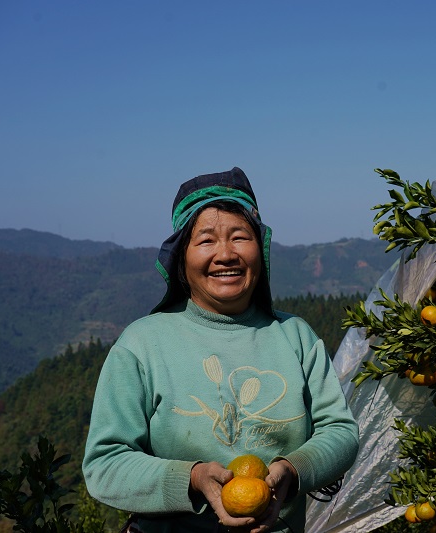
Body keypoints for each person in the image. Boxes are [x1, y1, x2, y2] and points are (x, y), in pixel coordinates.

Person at [83, 167, 360, 532]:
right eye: (206, 240)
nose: (226, 254)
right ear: (182, 257)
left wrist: (292, 471)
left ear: (260, 249)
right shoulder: (141, 346)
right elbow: (105, 465)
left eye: (240, 237)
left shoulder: (296, 337)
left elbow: (340, 432)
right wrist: (193, 478)